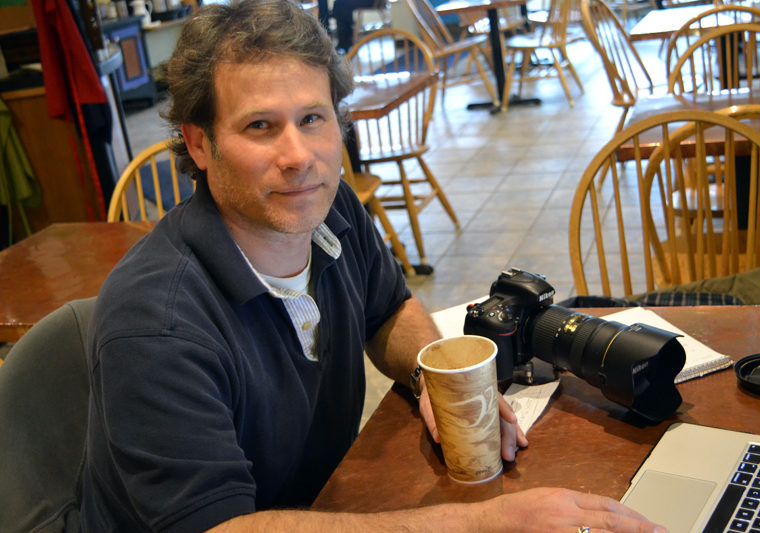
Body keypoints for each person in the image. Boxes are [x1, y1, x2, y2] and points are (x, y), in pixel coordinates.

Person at [80, 1, 667, 531]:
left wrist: (427, 379)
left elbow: (388, 308)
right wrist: (482, 525)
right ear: (200, 144)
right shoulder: (155, 322)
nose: (298, 157)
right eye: (260, 126)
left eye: (313, 118)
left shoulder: (329, 210)